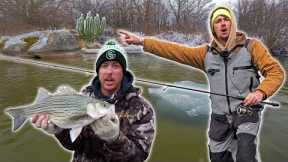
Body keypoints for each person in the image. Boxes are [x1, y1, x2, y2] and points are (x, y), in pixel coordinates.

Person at [118, 6, 284, 162]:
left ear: (232, 24)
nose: (223, 23)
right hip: (219, 118)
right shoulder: (205, 55)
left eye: (226, 19)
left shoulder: (252, 47)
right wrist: (142, 42)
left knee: (245, 153)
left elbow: (276, 72)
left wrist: (260, 93)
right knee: (217, 156)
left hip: (246, 112)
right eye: (218, 21)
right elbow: (175, 51)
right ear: (213, 28)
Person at [31, 40, 156, 162]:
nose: (109, 72)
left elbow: (140, 156)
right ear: (98, 71)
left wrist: (115, 139)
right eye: (104, 65)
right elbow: (74, 145)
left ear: (123, 72)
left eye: (116, 66)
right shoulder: (83, 97)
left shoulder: (142, 108)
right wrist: (59, 131)